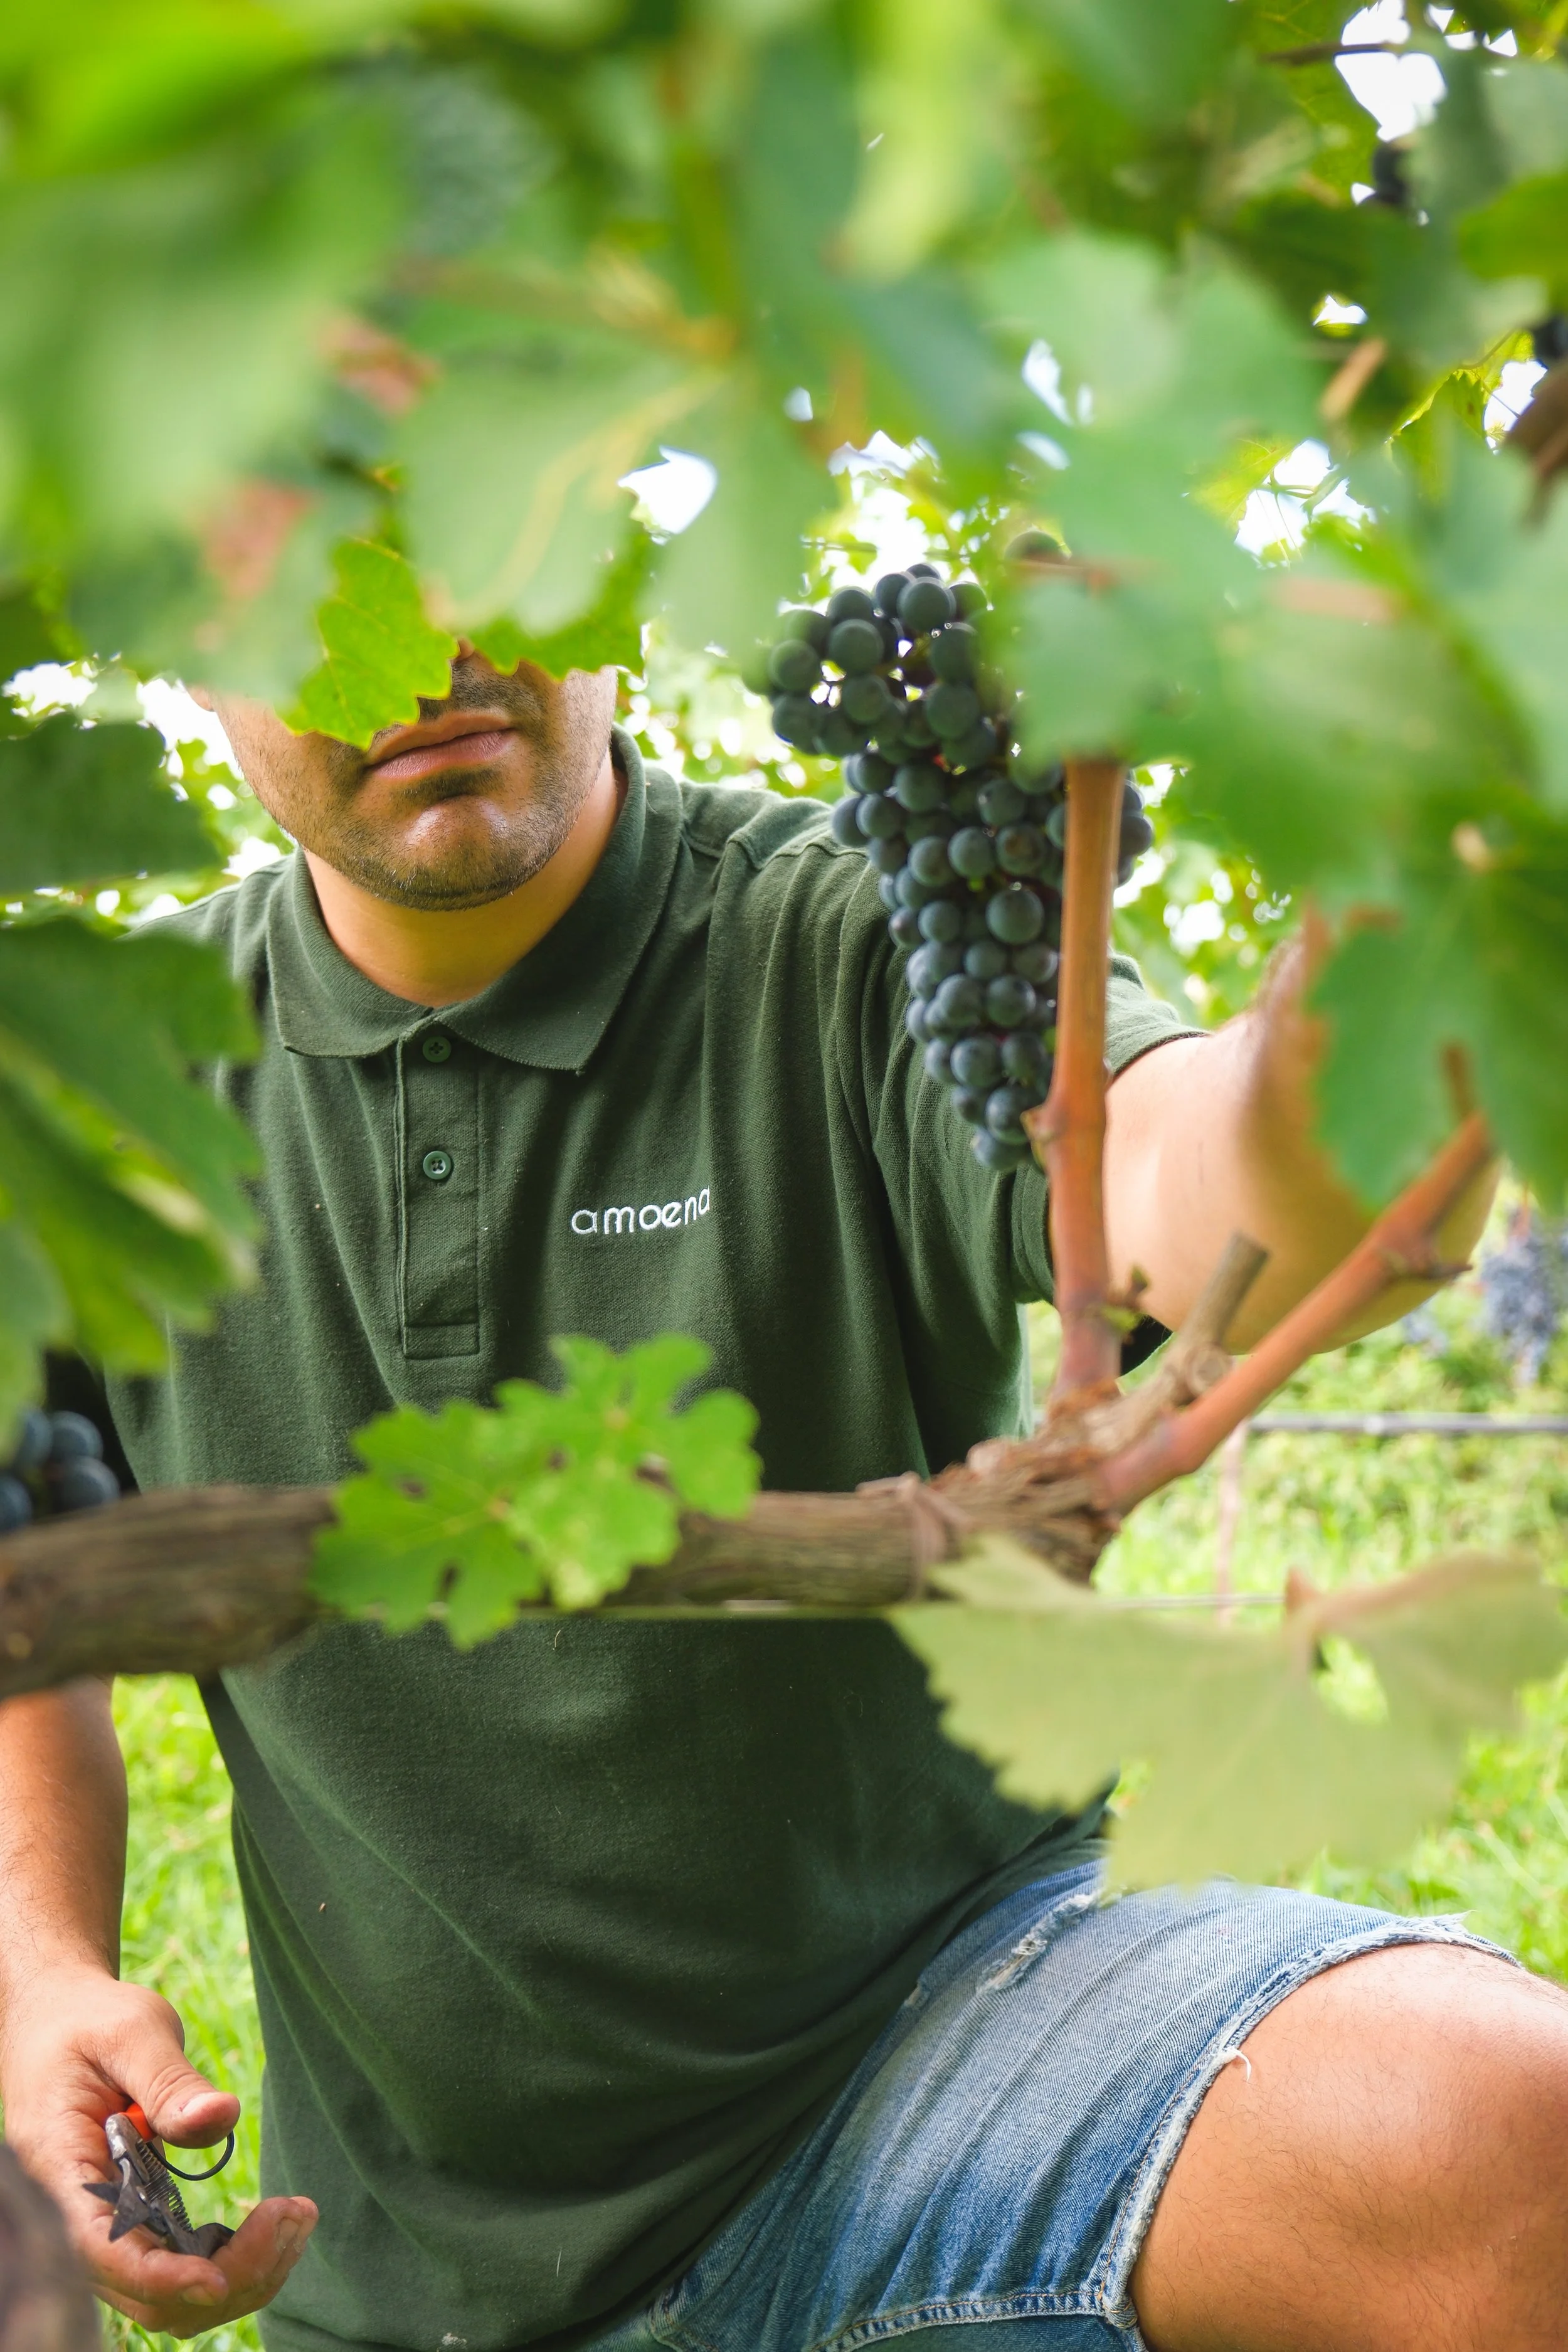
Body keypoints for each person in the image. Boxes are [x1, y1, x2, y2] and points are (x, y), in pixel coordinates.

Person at [0, 644, 1560, 2352]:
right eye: (316, 576)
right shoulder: (95, 1085)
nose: (430, 642)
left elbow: (1200, 1194)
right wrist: (37, 1975)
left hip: (951, 2046)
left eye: (483, 515)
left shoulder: (855, 934)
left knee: (1497, 2130)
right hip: (417, 2280)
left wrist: (1423, 885)